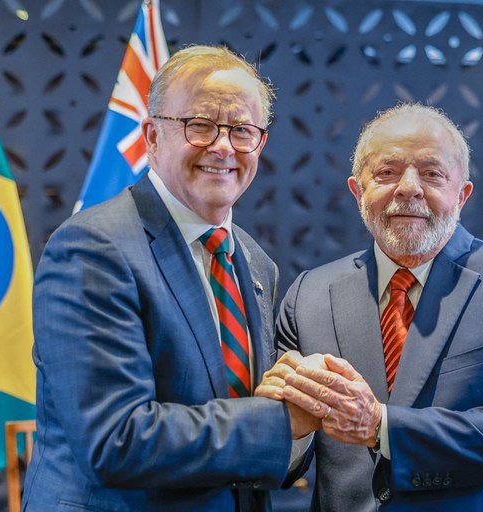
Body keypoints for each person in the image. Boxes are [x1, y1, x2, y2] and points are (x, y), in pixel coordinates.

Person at [21, 45, 317, 512]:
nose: (223, 146)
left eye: (242, 130)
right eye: (200, 124)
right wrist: (282, 422)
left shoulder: (256, 262)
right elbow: (116, 441)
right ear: (152, 137)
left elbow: (261, 435)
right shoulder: (92, 248)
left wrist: (310, 406)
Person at [259, 103, 483, 511]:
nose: (408, 188)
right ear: (358, 192)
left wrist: (380, 426)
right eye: (386, 172)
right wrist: (285, 424)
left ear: (462, 195)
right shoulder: (308, 294)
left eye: (432, 174)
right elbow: (288, 450)